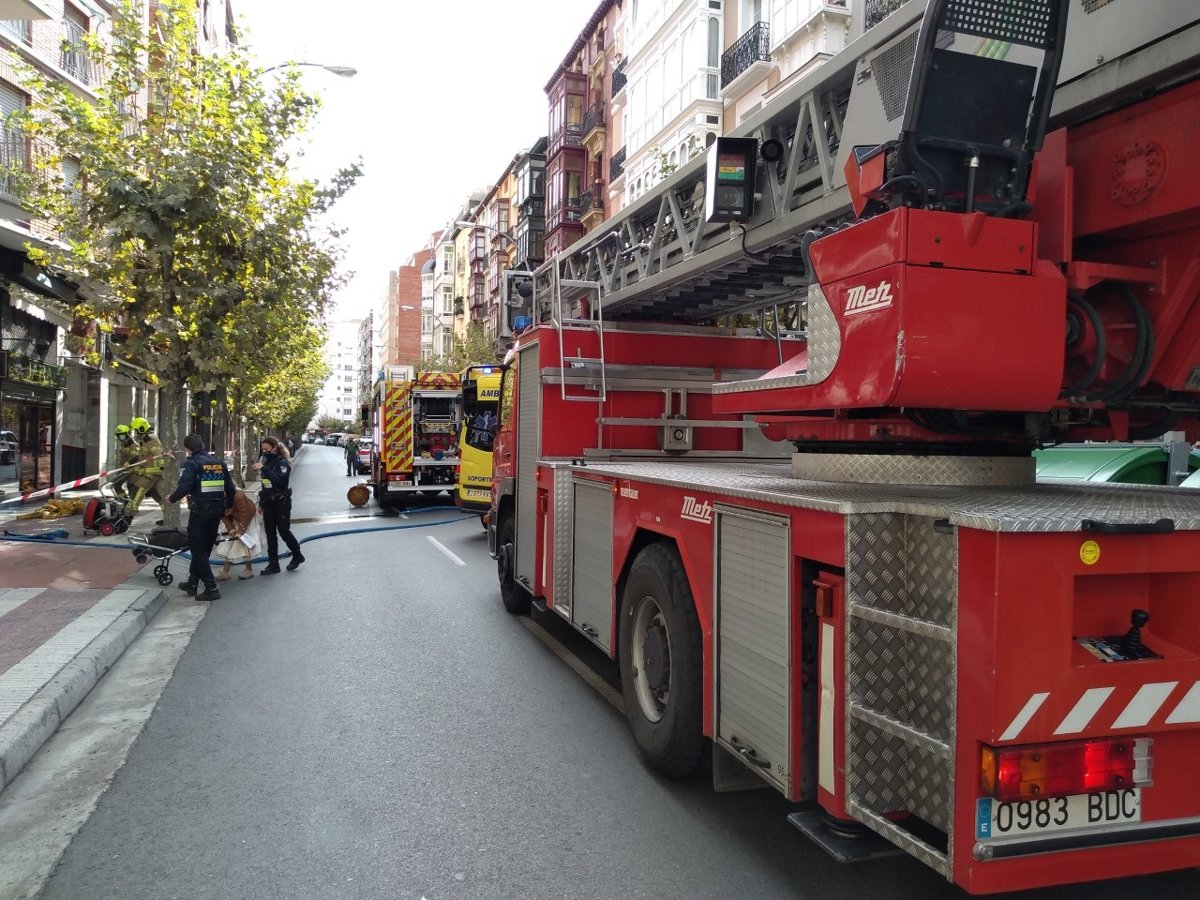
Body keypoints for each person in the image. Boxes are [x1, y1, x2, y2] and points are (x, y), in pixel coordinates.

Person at [167, 433, 237, 602]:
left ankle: (211, 588)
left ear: (187, 449)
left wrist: (171, 499)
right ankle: (192, 582)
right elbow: (231, 489)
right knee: (204, 548)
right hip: (217, 510)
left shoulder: (193, 464)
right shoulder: (220, 463)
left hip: (201, 511)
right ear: (203, 445)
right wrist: (228, 506)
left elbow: (184, 487)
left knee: (197, 549)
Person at [254, 435, 305, 574]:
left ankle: (297, 555)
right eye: (263, 449)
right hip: (269, 503)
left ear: (274, 448)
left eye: (266, 449)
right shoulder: (267, 463)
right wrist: (262, 503)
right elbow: (266, 485)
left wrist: (264, 469)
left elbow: (280, 482)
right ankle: (273, 564)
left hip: (281, 502)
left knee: (284, 531)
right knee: (270, 533)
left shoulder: (282, 463)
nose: (264, 452)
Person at [215, 487, 262, 581]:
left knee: (245, 542)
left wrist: (241, 531)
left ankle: (249, 569)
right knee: (229, 543)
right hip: (234, 515)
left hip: (247, 516)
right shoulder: (217, 497)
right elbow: (222, 514)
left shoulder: (238, 495)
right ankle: (225, 571)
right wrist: (230, 528)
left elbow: (245, 513)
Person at [126, 416, 168, 511]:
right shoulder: (146, 438)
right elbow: (142, 456)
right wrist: (131, 464)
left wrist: (162, 465)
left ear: (142, 429)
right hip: (151, 471)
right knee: (155, 493)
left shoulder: (148, 438)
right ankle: (167, 513)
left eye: (136, 430)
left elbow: (157, 453)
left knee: (138, 489)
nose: (136, 433)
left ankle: (130, 512)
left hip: (151, 471)